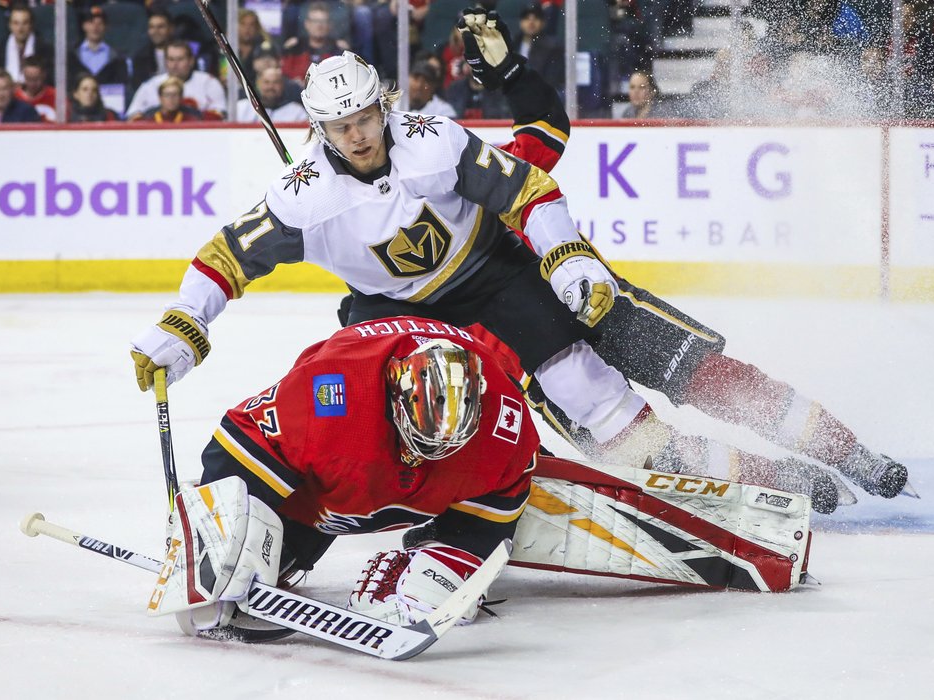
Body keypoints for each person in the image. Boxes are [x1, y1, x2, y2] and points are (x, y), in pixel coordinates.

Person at [128, 47, 680, 496]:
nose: (358, 136)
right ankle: (428, 496)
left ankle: (664, 470)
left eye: (365, 119)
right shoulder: (303, 197)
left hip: (489, 270)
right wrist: (184, 320)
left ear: (383, 107)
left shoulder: (433, 140)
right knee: (371, 404)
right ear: (320, 128)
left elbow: (526, 189)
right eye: (341, 126)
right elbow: (226, 256)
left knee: (572, 374)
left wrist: (567, 256)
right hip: (391, 306)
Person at [441, 8, 910, 506]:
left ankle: (850, 454)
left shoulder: (469, 170)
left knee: (716, 380)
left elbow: (546, 127)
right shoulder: (388, 250)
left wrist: (510, 72)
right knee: (650, 456)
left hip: (600, 308)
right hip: (537, 362)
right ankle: (780, 481)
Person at [152, 320, 538, 637]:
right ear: (395, 394)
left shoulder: (506, 427)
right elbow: (241, 437)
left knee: (434, 587)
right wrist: (215, 526)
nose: (423, 458)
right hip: (317, 497)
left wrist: (454, 556)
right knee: (230, 572)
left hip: (388, 482)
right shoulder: (328, 395)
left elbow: (504, 492)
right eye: (417, 443)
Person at [126, 40, 226, 119]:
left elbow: (220, 114)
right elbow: (133, 116)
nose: (175, 64)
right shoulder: (150, 85)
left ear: (191, 61)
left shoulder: (208, 83)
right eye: (171, 59)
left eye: (180, 59)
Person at [67, 5, 129, 101]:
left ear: (106, 27)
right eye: (91, 23)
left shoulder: (117, 57)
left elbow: (122, 86)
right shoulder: (72, 55)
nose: (95, 27)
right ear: (84, 26)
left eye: (100, 23)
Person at [0, 3, 53, 84]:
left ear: (31, 25)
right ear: (10, 25)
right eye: (16, 23)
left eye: (25, 23)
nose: (20, 28)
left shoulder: (46, 52)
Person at [281, 1, 349, 82]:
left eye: (323, 21)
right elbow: (284, 76)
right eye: (315, 21)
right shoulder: (294, 48)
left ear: (330, 25)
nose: (319, 26)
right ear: (307, 24)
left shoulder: (339, 50)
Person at [235, 66, 307, 123]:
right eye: (266, 82)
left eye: (275, 82)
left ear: (282, 85)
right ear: (259, 84)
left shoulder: (297, 111)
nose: (270, 87)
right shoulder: (242, 107)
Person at [134, 76, 205, 123]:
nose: (171, 99)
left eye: (175, 95)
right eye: (167, 95)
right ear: (160, 97)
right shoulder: (148, 120)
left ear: (181, 97)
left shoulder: (191, 120)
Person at [13, 55, 55, 121]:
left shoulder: (56, 96)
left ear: (44, 75)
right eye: (28, 79)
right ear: (23, 74)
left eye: (36, 79)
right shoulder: (14, 97)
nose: (32, 84)